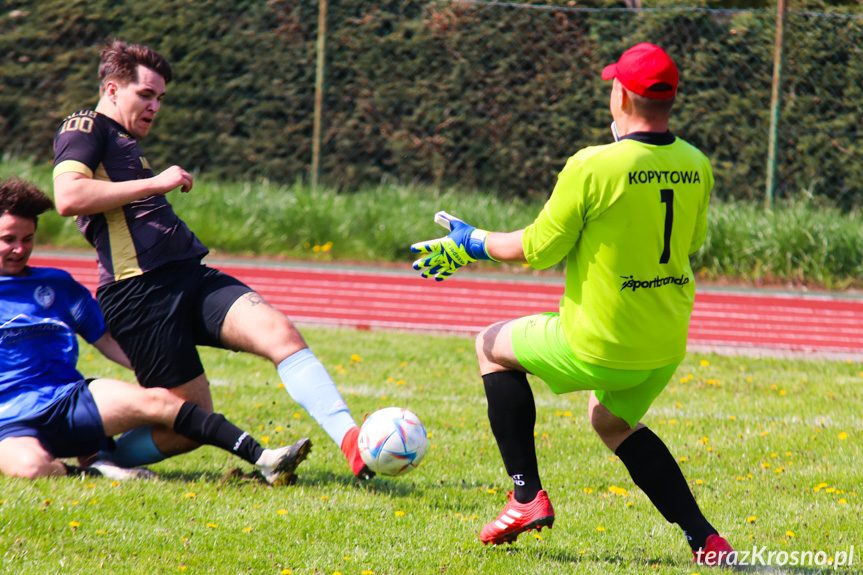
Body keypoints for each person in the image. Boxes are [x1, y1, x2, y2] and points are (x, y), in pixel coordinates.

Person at [411, 44, 734, 567]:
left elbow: (538, 249)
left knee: (489, 345)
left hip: (600, 339)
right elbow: (691, 238)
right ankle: (706, 539)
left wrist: (471, 242)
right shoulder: (696, 163)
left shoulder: (592, 165)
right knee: (610, 421)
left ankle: (525, 499)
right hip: (666, 339)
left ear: (621, 95)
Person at [51, 39, 372, 479]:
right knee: (188, 425)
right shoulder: (84, 126)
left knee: (279, 332)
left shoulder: (122, 140)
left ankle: (352, 443)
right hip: (138, 294)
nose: (155, 106)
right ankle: (105, 459)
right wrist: (156, 184)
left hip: (188, 275)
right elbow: (67, 197)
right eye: (145, 94)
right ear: (111, 90)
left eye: (160, 98)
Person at [0, 177, 311, 483]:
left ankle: (265, 458)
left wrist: (150, 369)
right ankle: (98, 471)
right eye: (9, 240)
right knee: (30, 468)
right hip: (8, 421)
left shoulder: (56, 284)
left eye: (27, 239)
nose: (19, 249)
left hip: (67, 400)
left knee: (161, 402)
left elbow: (106, 338)